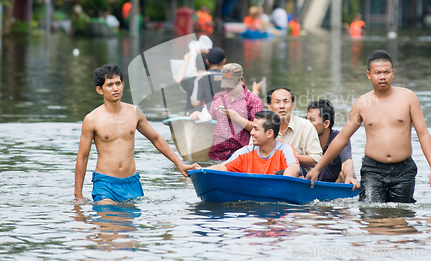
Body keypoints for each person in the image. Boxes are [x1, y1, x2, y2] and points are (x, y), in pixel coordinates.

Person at [306, 50, 431, 203]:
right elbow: (342, 138)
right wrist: (317, 168)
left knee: (401, 218)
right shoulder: (362, 103)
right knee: (372, 213)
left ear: (393, 73)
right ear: (369, 74)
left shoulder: (408, 98)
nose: (382, 77)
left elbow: (423, 134)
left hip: (403, 170)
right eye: (377, 73)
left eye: (386, 72)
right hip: (373, 170)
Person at [75, 64, 200, 204]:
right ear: (100, 90)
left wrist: (180, 164)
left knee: (129, 225)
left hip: (132, 182)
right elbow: (83, 156)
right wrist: (78, 194)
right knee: (109, 220)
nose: (115, 88)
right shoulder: (92, 119)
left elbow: (156, 139)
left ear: (122, 85)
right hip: (105, 184)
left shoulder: (134, 113)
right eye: (109, 85)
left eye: (118, 83)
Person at [190, 63, 264, 161]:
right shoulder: (218, 97)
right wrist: (199, 116)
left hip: (242, 156)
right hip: (217, 156)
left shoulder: (254, 100)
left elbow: (259, 129)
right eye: (226, 85)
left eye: (232, 86)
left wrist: (236, 117)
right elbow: (210, 118)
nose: (228, 89)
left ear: (241, 80)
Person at [208, 110, 300, 177]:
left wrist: (282, 183)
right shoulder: (246, 151)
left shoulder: (285, 149)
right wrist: (201, 170)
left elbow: (294, 168)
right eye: (252, 128)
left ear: (269, 133)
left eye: (256, 129)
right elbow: (222, 167)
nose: (251, 132)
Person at [266, 87, 323, 174]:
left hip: (298, 178)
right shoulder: (262, 127)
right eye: (277, 102)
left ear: (292, 105)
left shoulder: (306, 126)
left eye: (286, 101)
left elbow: (317, 159)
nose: (282, 106)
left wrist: (288, 156)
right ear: (270, 106)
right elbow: (252, 154)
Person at [306, 99, 359, 188]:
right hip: (311, 185)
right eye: (306, 119)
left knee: (344, 175)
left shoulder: (339, 139)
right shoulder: (303, 137)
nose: (306, 124)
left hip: (333, 188)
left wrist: (349, 177)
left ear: (326, 123)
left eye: (311, 120)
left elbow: (347, 163)